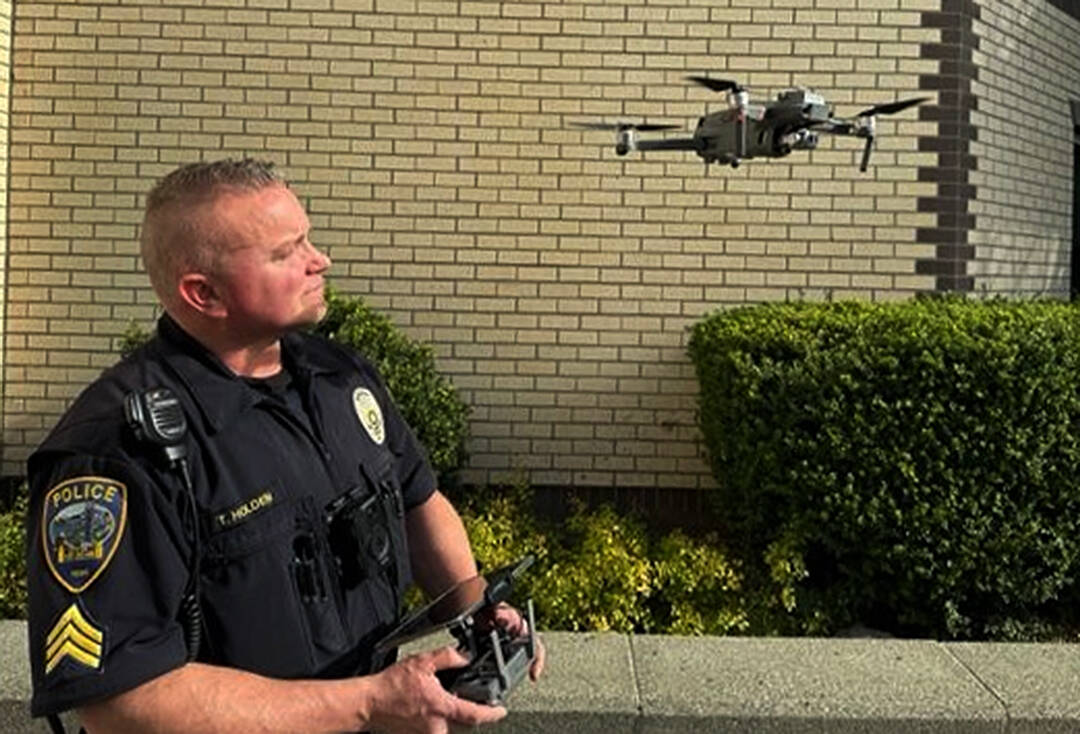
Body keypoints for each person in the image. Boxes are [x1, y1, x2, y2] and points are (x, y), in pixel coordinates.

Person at [25, 158, 544, 734]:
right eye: (285, 252)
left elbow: (419, 501)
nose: (319, 260)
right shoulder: (116, 451)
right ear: (204, 293)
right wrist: (369, 703)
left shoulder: (339, 377)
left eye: (308, 238)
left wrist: (478, 619)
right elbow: (121, 702)